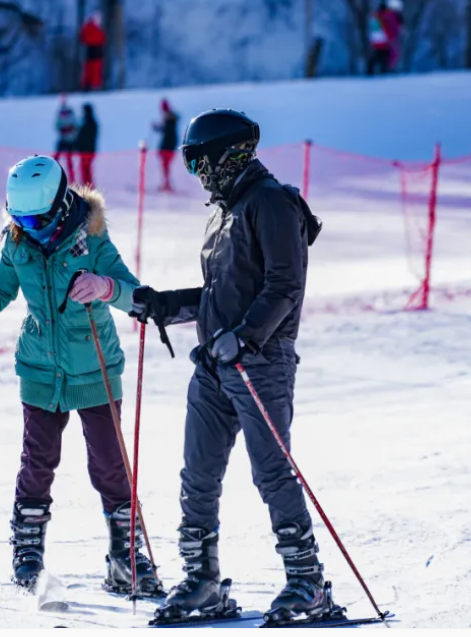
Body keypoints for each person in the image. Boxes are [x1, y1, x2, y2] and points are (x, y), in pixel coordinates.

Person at [0, 155, 162, 596]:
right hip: (40, 368)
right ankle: (28, 553)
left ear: (58, 205)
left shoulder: (92, 239)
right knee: (38, 463)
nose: (28, 227)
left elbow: (134, 293)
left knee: (111, 466)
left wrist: (104, 287)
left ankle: (125, 558)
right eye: (20, 218)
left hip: (94, 363)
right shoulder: (17, 242)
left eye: (36, 218)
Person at [128, 109, 325, 623]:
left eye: (199, 161)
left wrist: (247, 336)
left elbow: (286, 285)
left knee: (272, 473)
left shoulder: (271, 203)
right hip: (217, 363)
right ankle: (202, 581)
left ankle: (307, 583)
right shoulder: (224, 210)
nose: (197, 174)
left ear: (227, 154)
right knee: (198, 475)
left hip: (260, 363)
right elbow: (221, 294)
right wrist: (165, 304)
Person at [153, 99, 179, 192]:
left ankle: (167, 184)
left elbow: (167, 132)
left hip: (168, 147)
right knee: (165, 166)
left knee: (165, 165)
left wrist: (159, 128)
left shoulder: (169, 120)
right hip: (169, 146)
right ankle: (166, 183)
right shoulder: (170, 119)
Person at [367, 2, 399, 75]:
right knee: (384, 59)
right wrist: (391, 37)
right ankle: (384, 73)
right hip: (384, 41)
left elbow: (372, 29)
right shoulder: (387, 16)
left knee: (376, 57)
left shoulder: (375, 17)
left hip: (375, 42)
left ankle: (370, 71)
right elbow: (389, 29)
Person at [53, 96, 78, 184]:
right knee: (55, 160)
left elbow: (75, 126)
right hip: (63, 141)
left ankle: (72, 180)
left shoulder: (71, 115)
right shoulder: (60, 115)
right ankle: (51, 176)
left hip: (69, 141)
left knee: (69, 161)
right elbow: (57, 126)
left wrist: (68, 129)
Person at [79, 12, 106, 91]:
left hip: (94, 51)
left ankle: (91, 84)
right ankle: (93, 85)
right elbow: (102, 39)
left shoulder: (91, 28)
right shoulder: (92, 28)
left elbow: (83, 38)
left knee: (93, 68)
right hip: (93, 51)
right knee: (93, 68)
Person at [75, 103, 98, 187]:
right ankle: (87, 185)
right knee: (85, 169)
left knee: (86, 169)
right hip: (87, 150)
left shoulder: (89, 123)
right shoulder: (88, 122)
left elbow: (84, 137)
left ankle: (88, 186)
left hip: (87, 150)